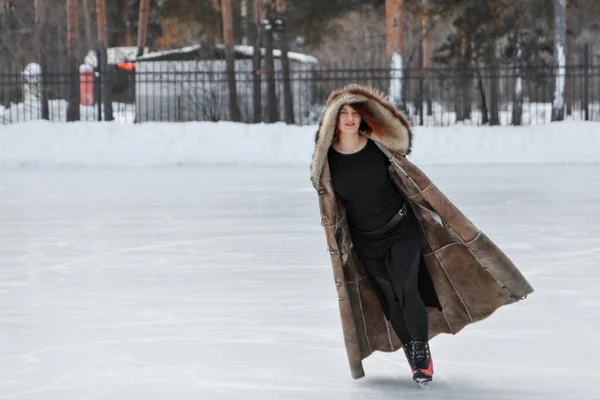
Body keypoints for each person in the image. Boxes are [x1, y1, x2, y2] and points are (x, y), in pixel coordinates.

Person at [310, 84, 533, 385]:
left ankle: (420, 354)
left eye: (354, 112)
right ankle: (412, 347)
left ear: (362, 117)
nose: (349, 119)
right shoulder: (328, 163)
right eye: (343, 113)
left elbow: (402, 153)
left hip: (400, 227)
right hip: (366, 240)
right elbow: (333, 208)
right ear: (333, 120)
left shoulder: (378, 145)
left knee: (406, 286)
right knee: (390, 298)